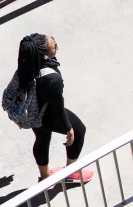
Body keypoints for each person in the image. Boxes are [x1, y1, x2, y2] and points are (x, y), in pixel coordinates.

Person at [15, 33, 93, 183]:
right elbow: (58, 108)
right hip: (47, 114)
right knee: (79, 131)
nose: (56, 46)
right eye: (54, 46)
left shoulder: (28, 64)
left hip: (32, 112)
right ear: (43, 54)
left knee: (42, 138)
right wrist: (68, 129)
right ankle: (71, 173)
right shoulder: (53, 79)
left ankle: (45, 177)